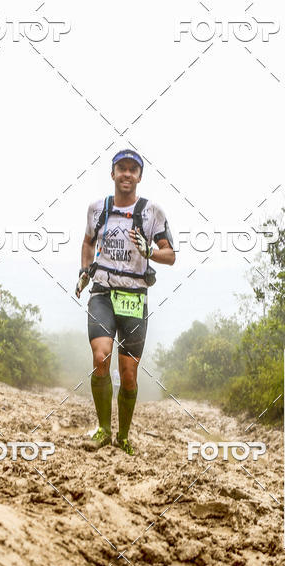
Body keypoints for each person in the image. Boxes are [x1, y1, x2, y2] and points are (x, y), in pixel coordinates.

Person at [75, 149, 176, 455]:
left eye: (133, 169)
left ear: (140, 176)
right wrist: (84, 271)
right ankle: (103, 429)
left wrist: (149, 252)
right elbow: (87, 242)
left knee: (129, 373)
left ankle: (124, 436)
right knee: (101, 356)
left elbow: (169, 255)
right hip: (103, 293)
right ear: (113, 173)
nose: (127, 174)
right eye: (122, 168)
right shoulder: (97, 209)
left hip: (134, 298)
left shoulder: (151, 212)